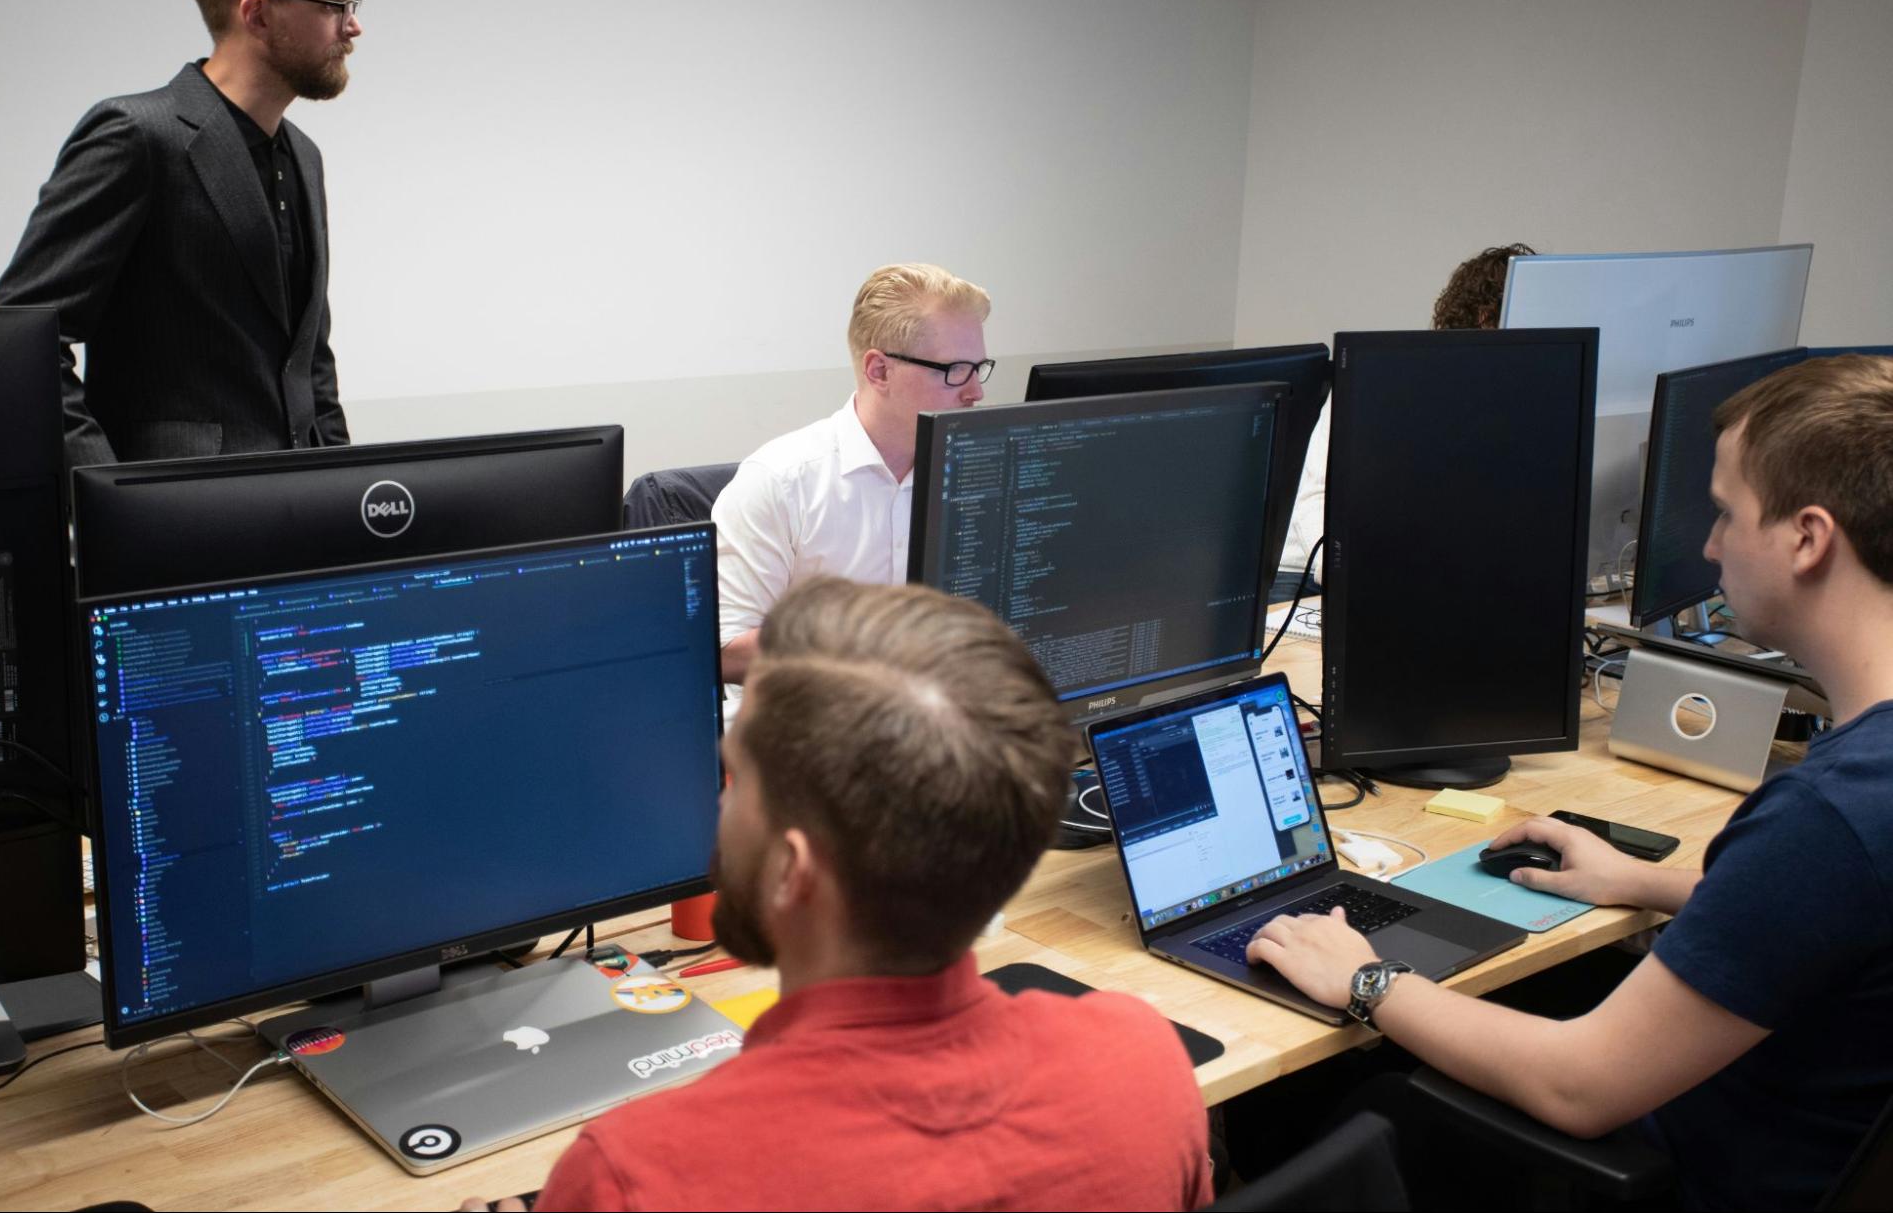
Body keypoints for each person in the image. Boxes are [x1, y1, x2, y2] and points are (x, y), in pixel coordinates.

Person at [1247, 353, 1893, 1210]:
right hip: (1798, 1137)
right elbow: (1832, 908)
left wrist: (1366, 978)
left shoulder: (1824, 815)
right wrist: (1641, 882)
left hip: (1682, 1178)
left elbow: (1577, 1086)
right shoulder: (1854, 802)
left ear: (1807, 538)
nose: (1708, 546)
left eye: (1725, 513)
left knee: (1301, 1100)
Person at [465, 577, 1211, 1211]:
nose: (717, 806)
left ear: (792, 869)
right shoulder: (1140, 1063)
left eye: (737, 779)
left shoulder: (636, 1175)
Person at [0, 0, 362, 469]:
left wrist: (344, 484)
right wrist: (110, 491)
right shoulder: (136, 136)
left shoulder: (304, 156)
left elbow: (310, 362)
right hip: (174, 508)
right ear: (257, 15)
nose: (354, 26)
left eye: (352, 3)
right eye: (333, 5)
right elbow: (24, 342)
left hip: (301, 503)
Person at [713, 263, 993, 685]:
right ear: (879, 371)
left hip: (934, 705)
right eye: (955, 370)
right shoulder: (779, 482)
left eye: (979, 367)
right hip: (811, 714)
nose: (976, 391)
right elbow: (725, 653)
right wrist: (873, 638)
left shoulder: (976, 476)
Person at [1277, 243, 1539, 589]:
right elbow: (1316, 500)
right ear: (1480, 317)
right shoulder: (1383, 380)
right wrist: (1359, 577)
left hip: (1427, 577)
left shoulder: (1519, 403)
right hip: (1308, 572)